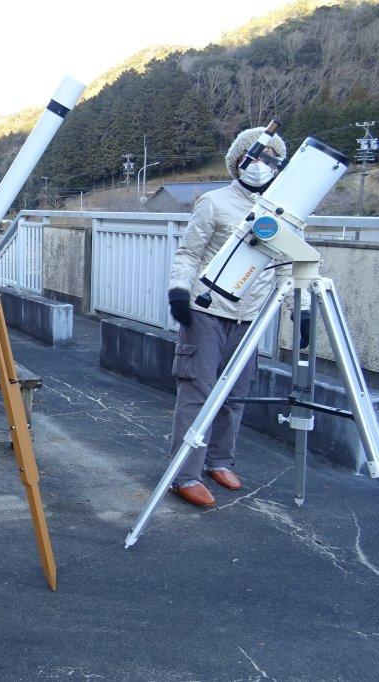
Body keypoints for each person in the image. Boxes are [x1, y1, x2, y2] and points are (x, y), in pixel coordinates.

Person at [165, 126, 306, 507]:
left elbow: (289, 267)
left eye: (269, 160)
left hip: (252, 316)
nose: (260, 166)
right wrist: (179, 290)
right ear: (237, 162)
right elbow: (189, 253)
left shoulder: (286, 213)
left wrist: (299, 312)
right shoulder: (214, 203)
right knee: (198, 390)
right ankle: (184, 473)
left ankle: (219, 460)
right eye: (252, 158)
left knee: (235, 394)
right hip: (207, 311)